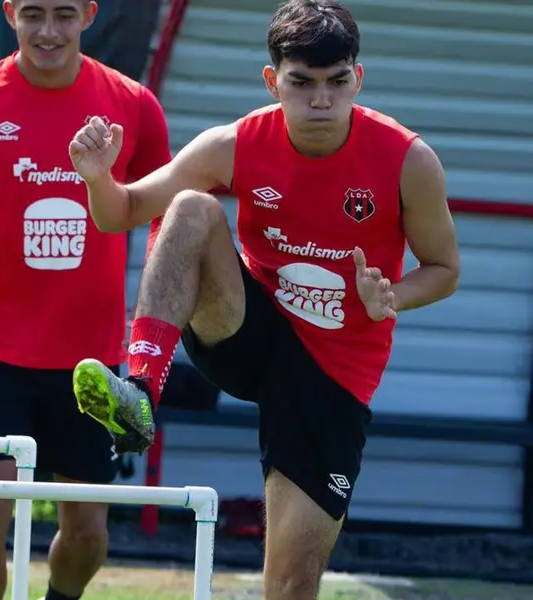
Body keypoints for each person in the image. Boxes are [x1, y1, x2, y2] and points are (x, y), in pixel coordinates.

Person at [67, 1, 461, 597]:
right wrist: (98, 177)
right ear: (273, 80)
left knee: (291, 586)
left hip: (333, 373)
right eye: (302, 83)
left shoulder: (408, 160)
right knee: (192, 208)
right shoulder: (236, 143)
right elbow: (120, 212)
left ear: (359, 77)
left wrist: (393, 296)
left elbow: (445, 269)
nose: (321, 101)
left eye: (337, 82)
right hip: (248, 330)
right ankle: (141, 390)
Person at [0, 1, 171, 598]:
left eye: (63, 14)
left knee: (86, 531)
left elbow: (166, 218)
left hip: (91, 360)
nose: (48, 31)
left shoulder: (132, 103)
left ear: (89, 14)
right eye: (33, 14)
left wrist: (154, 310)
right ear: (9, 14)